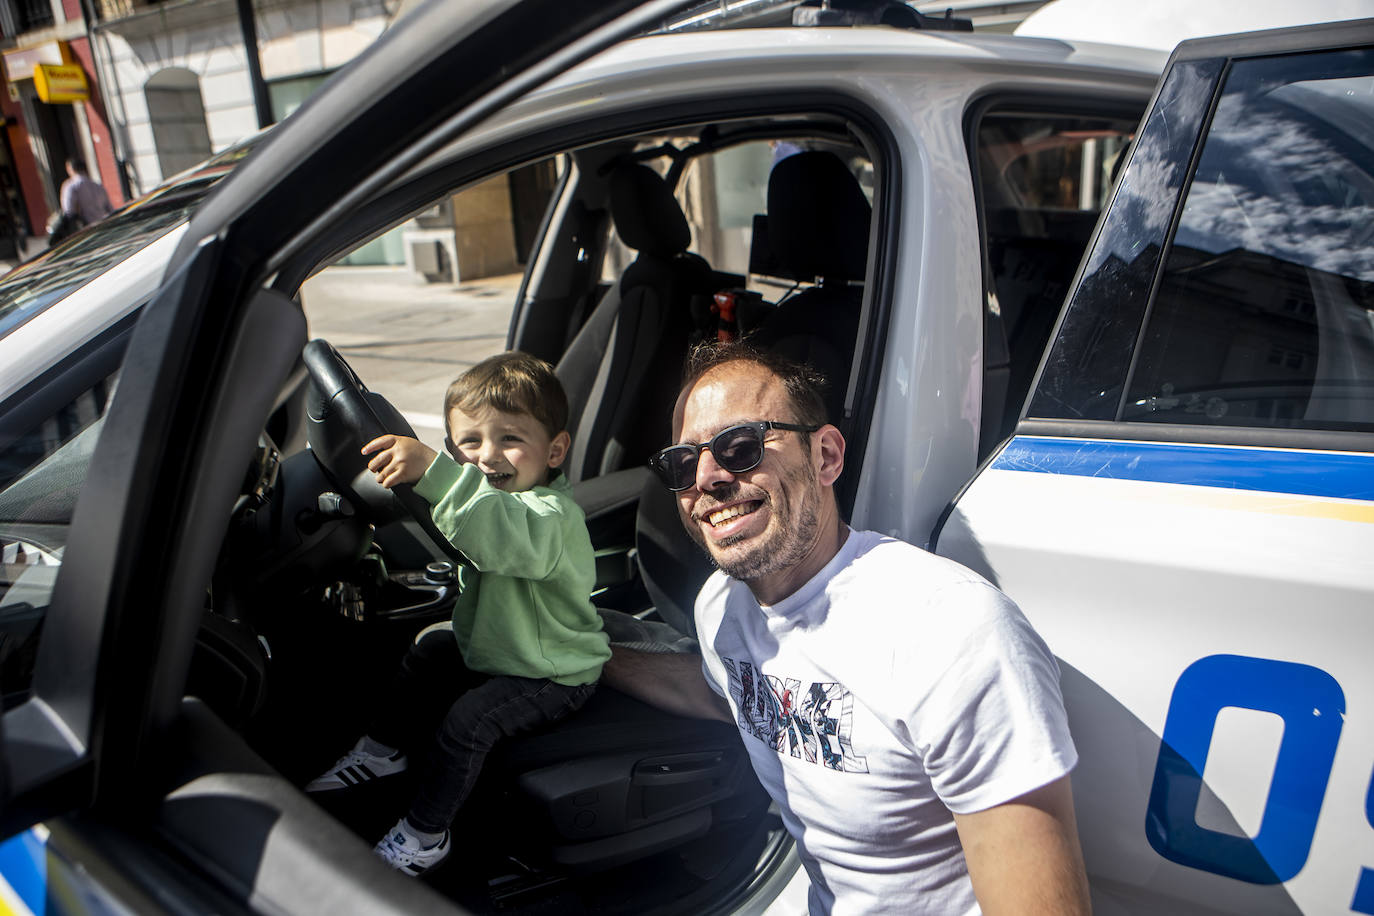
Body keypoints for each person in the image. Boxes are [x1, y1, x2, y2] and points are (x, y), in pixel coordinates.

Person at [606, 342, 1090, 915]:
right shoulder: (721, 607)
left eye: (740, 447)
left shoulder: (952, 632)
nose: (706, 478)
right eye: (682, 464)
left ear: (827, 456)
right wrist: (587, 658)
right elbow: (727, 694)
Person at [306, 351, 609, 877]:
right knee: (430, 645)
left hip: (552, 672)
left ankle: (426, 834)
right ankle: (381, 752)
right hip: (505, 647)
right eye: (469, 443)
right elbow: (475, 521)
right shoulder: (490, 497)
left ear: (555, 450)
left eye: (510, 439)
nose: (487, 458)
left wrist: (438, 474)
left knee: (469, 721)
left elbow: (499, 535)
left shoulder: (550, 516)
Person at [59, 158, 112, 229]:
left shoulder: (70, 186)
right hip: (103, 225)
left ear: (69, 169)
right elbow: (110, 209)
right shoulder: (98, 186)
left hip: (86, 229)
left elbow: (69, 211)